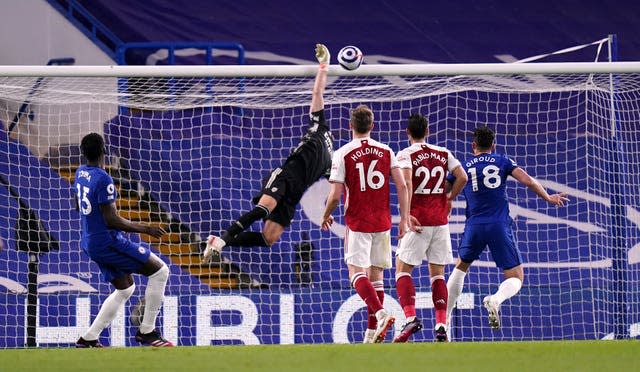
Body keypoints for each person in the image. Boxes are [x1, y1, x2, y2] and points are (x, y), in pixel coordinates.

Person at [203, 44, 334, 260]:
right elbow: (317, 92)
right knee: (263, 210)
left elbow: (335, 189)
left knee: (268, 239)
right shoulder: (320, 125)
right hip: (284, 176)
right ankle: (222, 239)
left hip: (294, 194)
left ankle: (217, 241)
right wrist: (323, 66)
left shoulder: (332, 158)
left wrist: (327, 213)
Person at [445, 126, 568, 333]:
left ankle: (444, 322)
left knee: (460, 268)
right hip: (499, 225)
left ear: (473, 145)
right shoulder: (502, 160)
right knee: (516, 277)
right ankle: (496, 299)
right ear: (494, 145)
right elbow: (527, 180)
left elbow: (444, 191)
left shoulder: (463, 166)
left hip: (474, 225)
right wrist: (548, 197)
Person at [321, 104, 413, 344]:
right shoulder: (386, 150)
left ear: (350, 126)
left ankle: (381, 314)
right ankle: (372, 333)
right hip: (382, 222)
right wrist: (404, 218)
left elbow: (335, 195)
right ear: (372, 126)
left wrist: (325, 214)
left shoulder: (342, 153)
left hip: (358, 222)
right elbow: (402, 185)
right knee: (377, 277)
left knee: (355, 273)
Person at [74, 132, 173, 348]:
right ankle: (147, 332)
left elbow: (79, 206)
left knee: (125, 289)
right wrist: (144, 227)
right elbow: (111, 219)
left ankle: (89, 338)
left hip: (90, 241)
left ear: (83, 153)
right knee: (160, 271)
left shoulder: (80, 173)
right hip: (107, 242)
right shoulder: (104, 179)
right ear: (104, 151)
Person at [392, 114, 468, 343]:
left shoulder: (405, 154)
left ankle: (410, 318)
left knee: (402, 270)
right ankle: (442, 324)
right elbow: (462, 176)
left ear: (408, 132)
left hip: (418, 221)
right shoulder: (443, 152)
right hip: (440, 222)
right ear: (428, 131)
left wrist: (405, 217)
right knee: (438, 275)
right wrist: (449, 197)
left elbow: (405, 184)